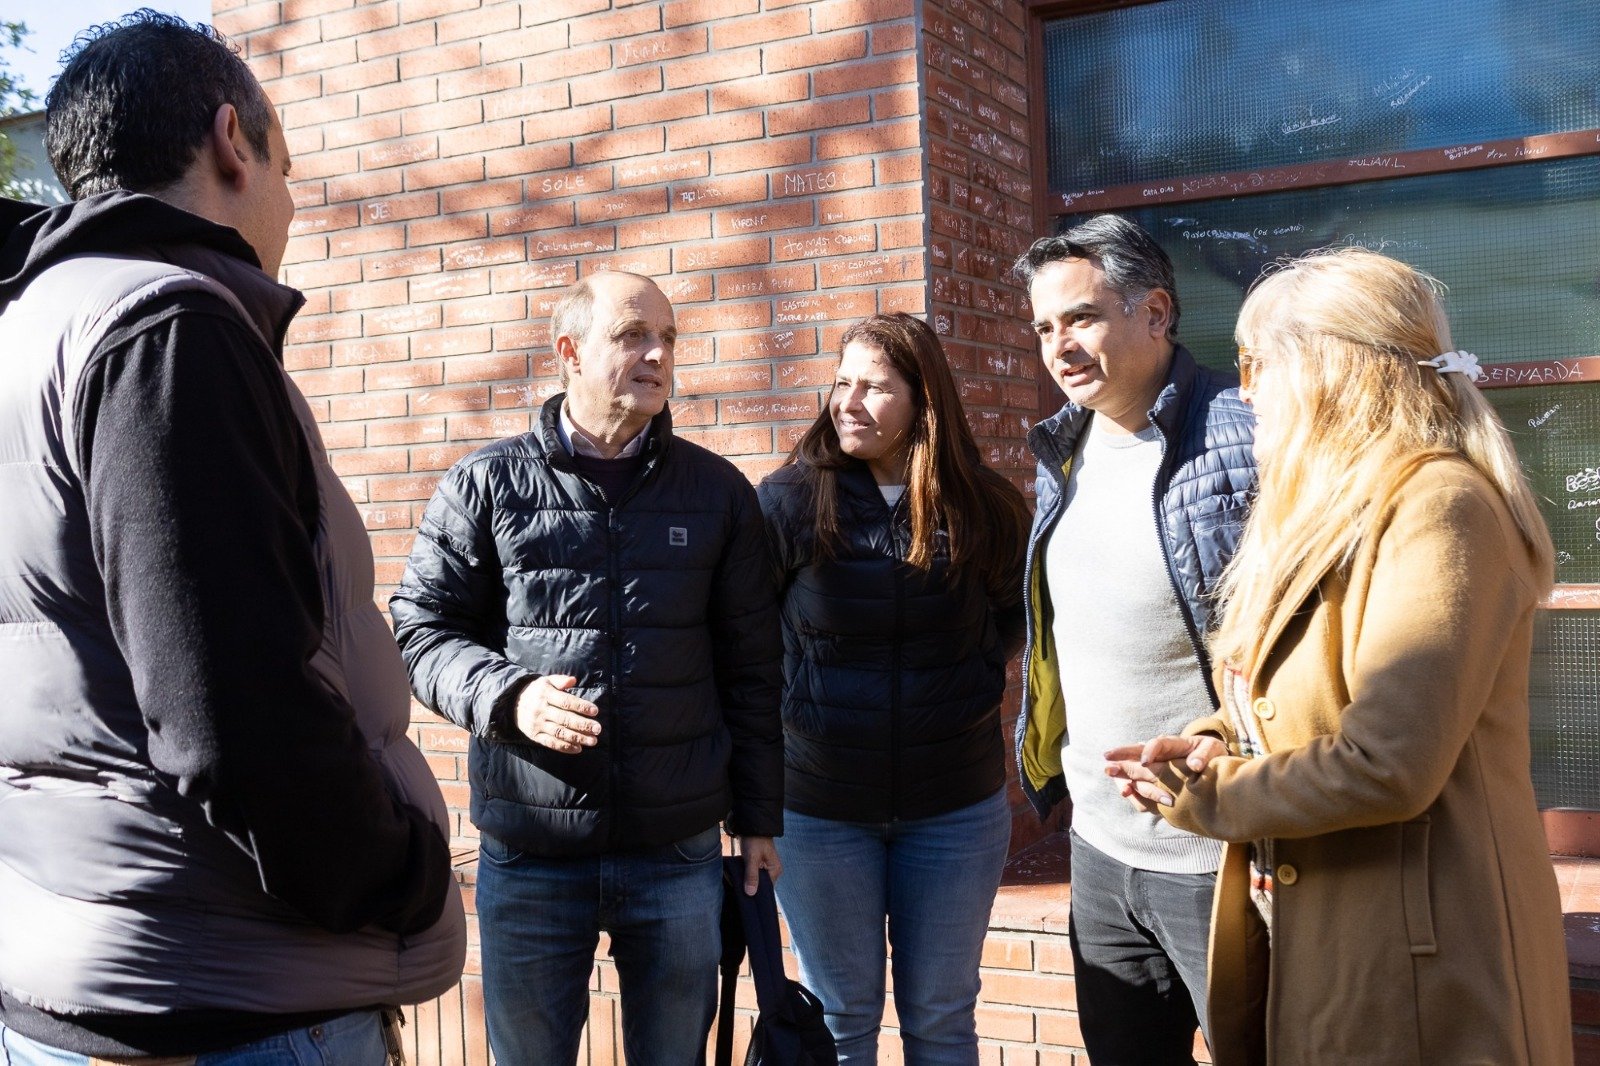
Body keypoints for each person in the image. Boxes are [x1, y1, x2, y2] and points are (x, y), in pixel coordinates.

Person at [0, 12, 466, 1065]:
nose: (291, 205)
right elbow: (233, 708)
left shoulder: (30, 326)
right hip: (236, 997)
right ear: (229, 142)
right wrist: (400, 874)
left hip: (80, 974)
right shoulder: (167, 329)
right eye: (287, 169)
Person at [1105, 248, 1572, 1066]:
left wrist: (1208, 796)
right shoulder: (1330, 510)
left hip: (1425, 967)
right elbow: (1287, 696)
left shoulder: (1439, 505)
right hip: (1337, 948)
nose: (1245, 391)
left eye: (1257, 362)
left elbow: (1388, 765)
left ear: (1332, 370)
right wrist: (1214, 739)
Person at [390, 270, 784, 1066]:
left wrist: (758, 819)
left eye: (667, 338)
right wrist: (509, 698)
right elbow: (420, 631)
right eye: (633, 335)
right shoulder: (485, 484)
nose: (658, 355)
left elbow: (752, 668)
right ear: (569, 352)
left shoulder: (717, 493)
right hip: (531, 854)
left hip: (677, 853)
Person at [1008, 214, 1256, 1064]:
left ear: (1155, 312)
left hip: (1222, 855)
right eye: (1044, 327)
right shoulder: (1063, 449)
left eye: (1080, 317)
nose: (1059, 346)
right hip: (1101, 853)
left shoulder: (1247, 433)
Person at [756, 313, 1030, 1064]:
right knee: (840, 1018)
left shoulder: (985, 506)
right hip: (818, 810)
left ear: (922, 400)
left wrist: (966, 682)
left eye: (874, 387)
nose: (848, 402)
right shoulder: (788, 501)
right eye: (841, 382)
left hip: (955, 809)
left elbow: (1011, 618)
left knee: (941, 1018)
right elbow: (747, 643)